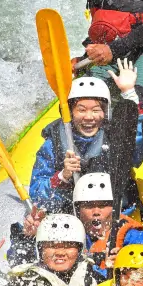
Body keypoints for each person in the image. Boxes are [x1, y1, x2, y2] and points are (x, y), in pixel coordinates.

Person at [8, 173, 143, 274]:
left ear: (114, 208)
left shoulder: (132, 236)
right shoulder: (64, 229)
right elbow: (20, 266)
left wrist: (121, 268)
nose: (96, 211)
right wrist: (30, 238)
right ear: (78, 210)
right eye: (89, 206)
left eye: (103, 205)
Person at [29, 77, 111, 212]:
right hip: (70, 213)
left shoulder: (115, 136)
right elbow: (37, 197)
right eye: (82, 110)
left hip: (110, 212)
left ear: (105, 113)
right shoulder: (52, 145)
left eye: (96, 110)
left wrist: (129, 93)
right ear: (70, 113)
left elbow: (139, 144)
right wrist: (62, 176)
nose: (89, 117)